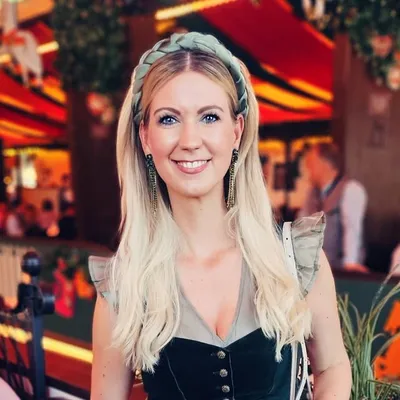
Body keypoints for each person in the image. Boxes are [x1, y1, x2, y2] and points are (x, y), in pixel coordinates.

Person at [89, 32, 351, 399]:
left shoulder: (295, 258)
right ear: (145, 137)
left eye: (209, 117)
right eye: (168, 119)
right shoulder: (125, 284)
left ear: (236, 131)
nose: (190, 140)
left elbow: (332, 367)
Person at [300, 142, 368, 271]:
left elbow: (352, 231)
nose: (307, 168)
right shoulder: (311, 194)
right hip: (314, 271)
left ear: (325, 164)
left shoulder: (351, 189)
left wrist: (350, 264)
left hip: (341, 271)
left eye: (311, 163)